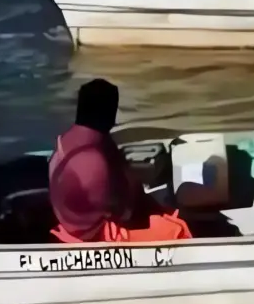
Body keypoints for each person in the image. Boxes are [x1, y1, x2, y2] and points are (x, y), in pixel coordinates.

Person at [48, 78, 192, 244]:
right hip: (95, 234)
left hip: (72, 225)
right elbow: (124, 213)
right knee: (177, 229)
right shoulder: (93, 160)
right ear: (107, 112)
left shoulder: (66, 141)